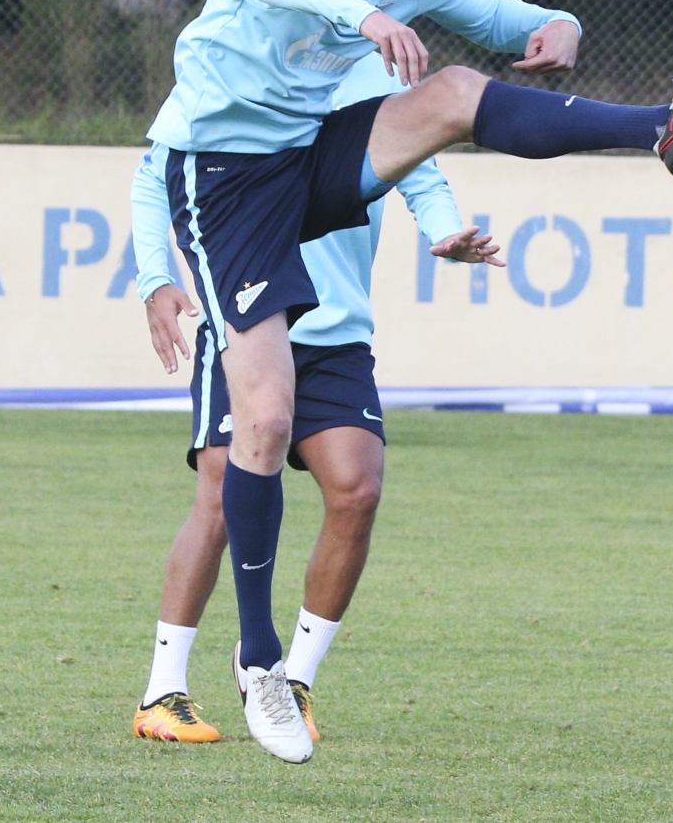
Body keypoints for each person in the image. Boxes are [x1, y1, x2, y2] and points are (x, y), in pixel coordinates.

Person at [145, 0, 673, 763]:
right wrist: (360, 18)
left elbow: (507, 20)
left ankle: (669, 128)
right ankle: (259, 662)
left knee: (457, 92)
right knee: (260, 425)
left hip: (299, 162)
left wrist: (560, 28)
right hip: (221, 178)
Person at [130, 54, 500, 746]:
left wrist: (443, 228)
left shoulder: (376, 74)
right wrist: (156, 276)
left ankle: (289, 680)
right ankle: (163, 689)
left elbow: (419, 169)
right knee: (218, 494)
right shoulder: (242, 55)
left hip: (337, 332)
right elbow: (156, 174)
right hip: (245, 317)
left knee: (357, 487)